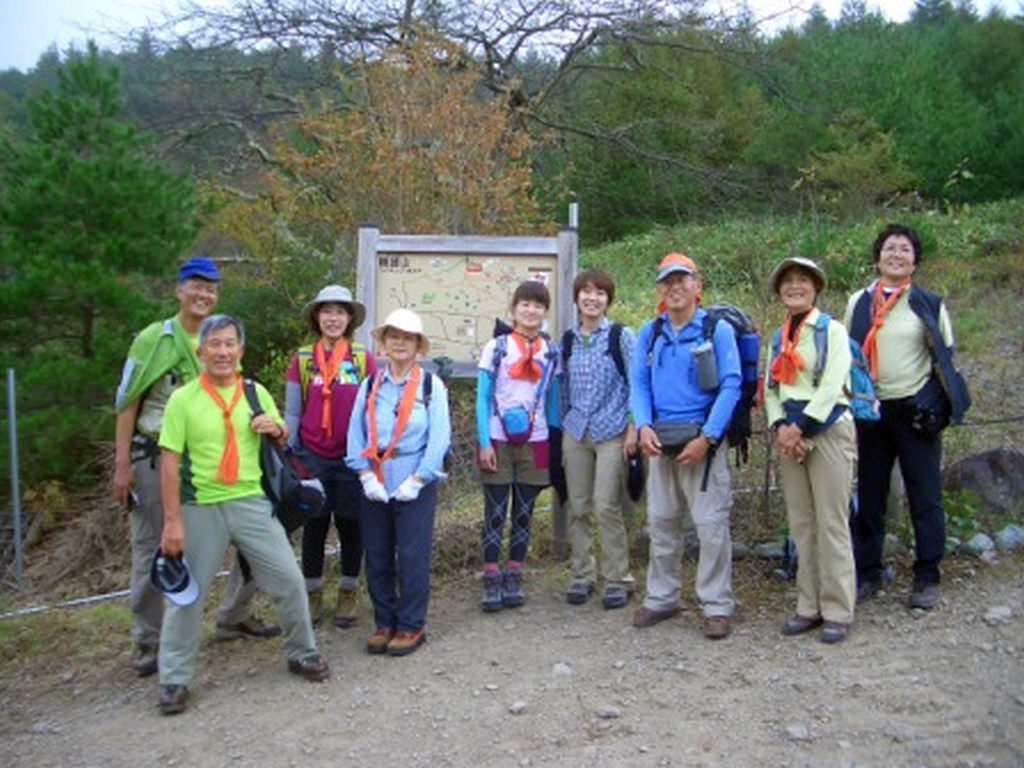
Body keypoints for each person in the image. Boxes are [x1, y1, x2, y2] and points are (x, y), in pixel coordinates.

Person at [112, 257, 279, 679]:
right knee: (155, 546)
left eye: (211, 288)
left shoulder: (220, 336)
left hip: (214, 460)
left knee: (251, 538)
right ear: (179, 290)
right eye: (196, 286)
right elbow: (128, 400)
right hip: (154, 458)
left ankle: (233, 615)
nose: (204, 294)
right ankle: (148, 641)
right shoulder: (155, 339)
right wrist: (121, 464)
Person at [156, 314, 329, 715]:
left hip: (252, 501)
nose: (222, 351)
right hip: (201, 505)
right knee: (187, 595)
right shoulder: (183, 400)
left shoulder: (254, 392)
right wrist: (172, 522)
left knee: (287, 578)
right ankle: (174, 678)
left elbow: (284, 436)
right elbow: (168, 463)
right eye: (214, 344)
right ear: (201, 351)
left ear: (240, 350)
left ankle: (302, 652)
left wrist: (277, 429)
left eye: (229, 343)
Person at [845, 224, 962, 610]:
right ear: (878, 256)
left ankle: (927, 574)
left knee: (924, 493)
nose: (897, 254)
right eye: (890, 248)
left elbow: (945, 357)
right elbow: (849, 354)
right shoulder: (858, 301)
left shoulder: (928, 302)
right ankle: (868, 572)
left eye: (905, 250)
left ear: (915, 260)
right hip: (870, 410)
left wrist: (941, 403)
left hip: (915, 410)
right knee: (870, 494)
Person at [630, 252, 740, 640]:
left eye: (682, 279)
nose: (675, 287)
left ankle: (717, 605)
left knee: (711, 528)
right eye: (667, 281)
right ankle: (662, 597)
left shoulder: (717, 329)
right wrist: (642, 425)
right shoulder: (652, 331)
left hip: (703, 443)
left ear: (698, 285)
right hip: (660, 440)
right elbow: (639, 383)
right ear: (660, 289)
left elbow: (732, 385)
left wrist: (708, 437)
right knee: (661, 523)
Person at [346, 308, 451, 657]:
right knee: (376, 554)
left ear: (418, 344)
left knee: (411, 555)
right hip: (376, 476)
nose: (400, 343)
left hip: (413, 477)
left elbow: (439, 438)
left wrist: (419, 479)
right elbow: (355, 432)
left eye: (408, 338)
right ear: (384, 342)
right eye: (394, 336)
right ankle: (384, 621)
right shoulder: (370, 384)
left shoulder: (429, 386)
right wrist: (363, 474)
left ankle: (411, 624)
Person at [764, 257, 857, 643]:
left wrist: (799, 426)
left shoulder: (831, 330)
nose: (795, 287)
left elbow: (835, 380)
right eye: (788, 282)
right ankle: (809, 605)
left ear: (816, 287)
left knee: (831, 522)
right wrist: (781, 427)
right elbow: (770, 388)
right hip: (790, 434)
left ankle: (838, 609)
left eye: (803, 280)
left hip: (829, 429)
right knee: (802, 523)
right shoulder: (778, 337)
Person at [284, 285, 376, 629]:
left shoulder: (363, 358)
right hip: (312, 456)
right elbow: (293, 412)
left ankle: (349, 593)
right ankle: (313, 594)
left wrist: (372, 452)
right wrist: (289, 453)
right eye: (327, 311)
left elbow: (372, 408)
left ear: (350, 318)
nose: (333, 318)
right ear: (316, 317)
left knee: (352, 525)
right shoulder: (303, 359)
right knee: (315, 526)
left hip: (352, 457)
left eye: (340, 311)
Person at [476, 281, 561, 612]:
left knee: (523, 513)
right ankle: (491, 577)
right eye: (525, 304)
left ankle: (515, 575)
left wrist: (554, 443)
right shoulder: (496, 347)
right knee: (495, 512)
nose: (531, 310)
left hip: (536, 438)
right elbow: (482, 398)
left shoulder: (550, 351)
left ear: (545, 311)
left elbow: (552, 401)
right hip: (497, 437)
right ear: (514, 309)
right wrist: (484, 442)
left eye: (538, 305)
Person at [560, 269, 638, 610]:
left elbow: (638, 383)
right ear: (576, 298)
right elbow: (562, 390)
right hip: (576, 431)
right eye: (586, 292)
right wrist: (563, 424)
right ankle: (582, 575)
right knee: (577, 506)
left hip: (613, 431)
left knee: (606, 505)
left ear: (608, 300)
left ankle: (618, 578)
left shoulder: (621, 337)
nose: (592, 298)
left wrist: (634, 426)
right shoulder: (567, 341)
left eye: (600, 293)